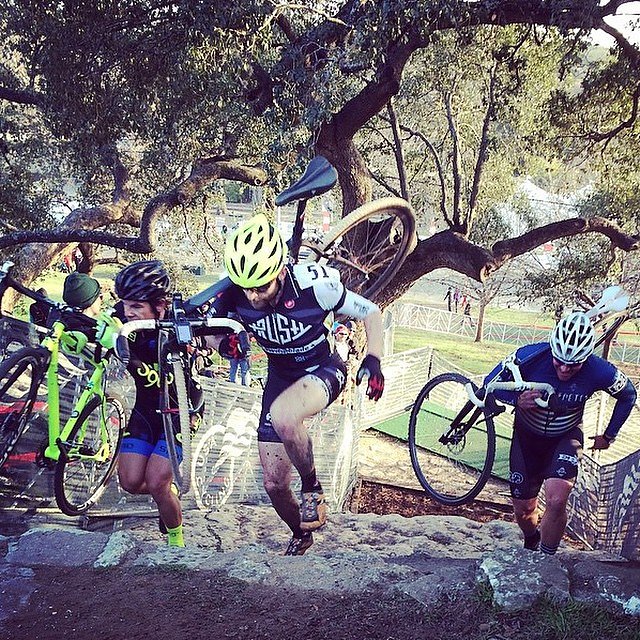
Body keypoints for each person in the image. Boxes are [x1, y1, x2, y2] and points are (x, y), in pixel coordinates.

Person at [206, 214, 385, 556]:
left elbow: (371, 312)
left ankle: (313, 488)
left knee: (285, 416)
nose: (253, 296)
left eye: (261, 286)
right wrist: (223, 345)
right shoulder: (235, 292)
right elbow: (211, 333)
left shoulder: (316, 283)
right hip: (280, 377)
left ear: (280, 271)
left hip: (323, 369)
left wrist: (373, 358)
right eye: (246, 287)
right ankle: (301, 534)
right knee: (273, 483)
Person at [485, 311, 637, 555]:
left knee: (557, 500)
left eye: (574, 364)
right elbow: (488, 385)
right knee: (524, 511)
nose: (565, 369)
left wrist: (609, 436)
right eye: (559, 361)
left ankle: (547, 559)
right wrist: (516, 399)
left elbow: (628, 395)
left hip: (565, 438)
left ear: (587, 357)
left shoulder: (599, 370)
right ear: (553, 350)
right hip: (526, 441)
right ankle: (531, 539)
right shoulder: (530, 356)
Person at [113, 260, 192, 547]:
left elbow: (214, 336)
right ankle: (167, 495)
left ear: (159, 306)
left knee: (157, 482)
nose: (128, 313)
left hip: (180, 409)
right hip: (146, 409)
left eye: (136, 306)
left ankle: (175, 543)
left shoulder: (177, 323)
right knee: (131, 483)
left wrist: (227, 344)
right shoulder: (122, 323)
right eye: (125, 305)